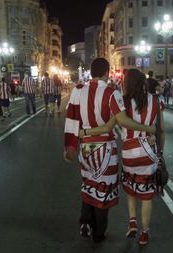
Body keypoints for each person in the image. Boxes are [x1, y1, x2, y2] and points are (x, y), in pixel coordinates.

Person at [63, 58, 155, 244]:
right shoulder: (111, 93)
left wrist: (70, 147)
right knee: (102, 189)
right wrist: (147, 129)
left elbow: (71, 119)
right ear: (106, 72)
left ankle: (85, 221)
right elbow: (121, 120)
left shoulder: (78, 90)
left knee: (88, 182)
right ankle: (99, 232)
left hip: (85, 146)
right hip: (105, 148)